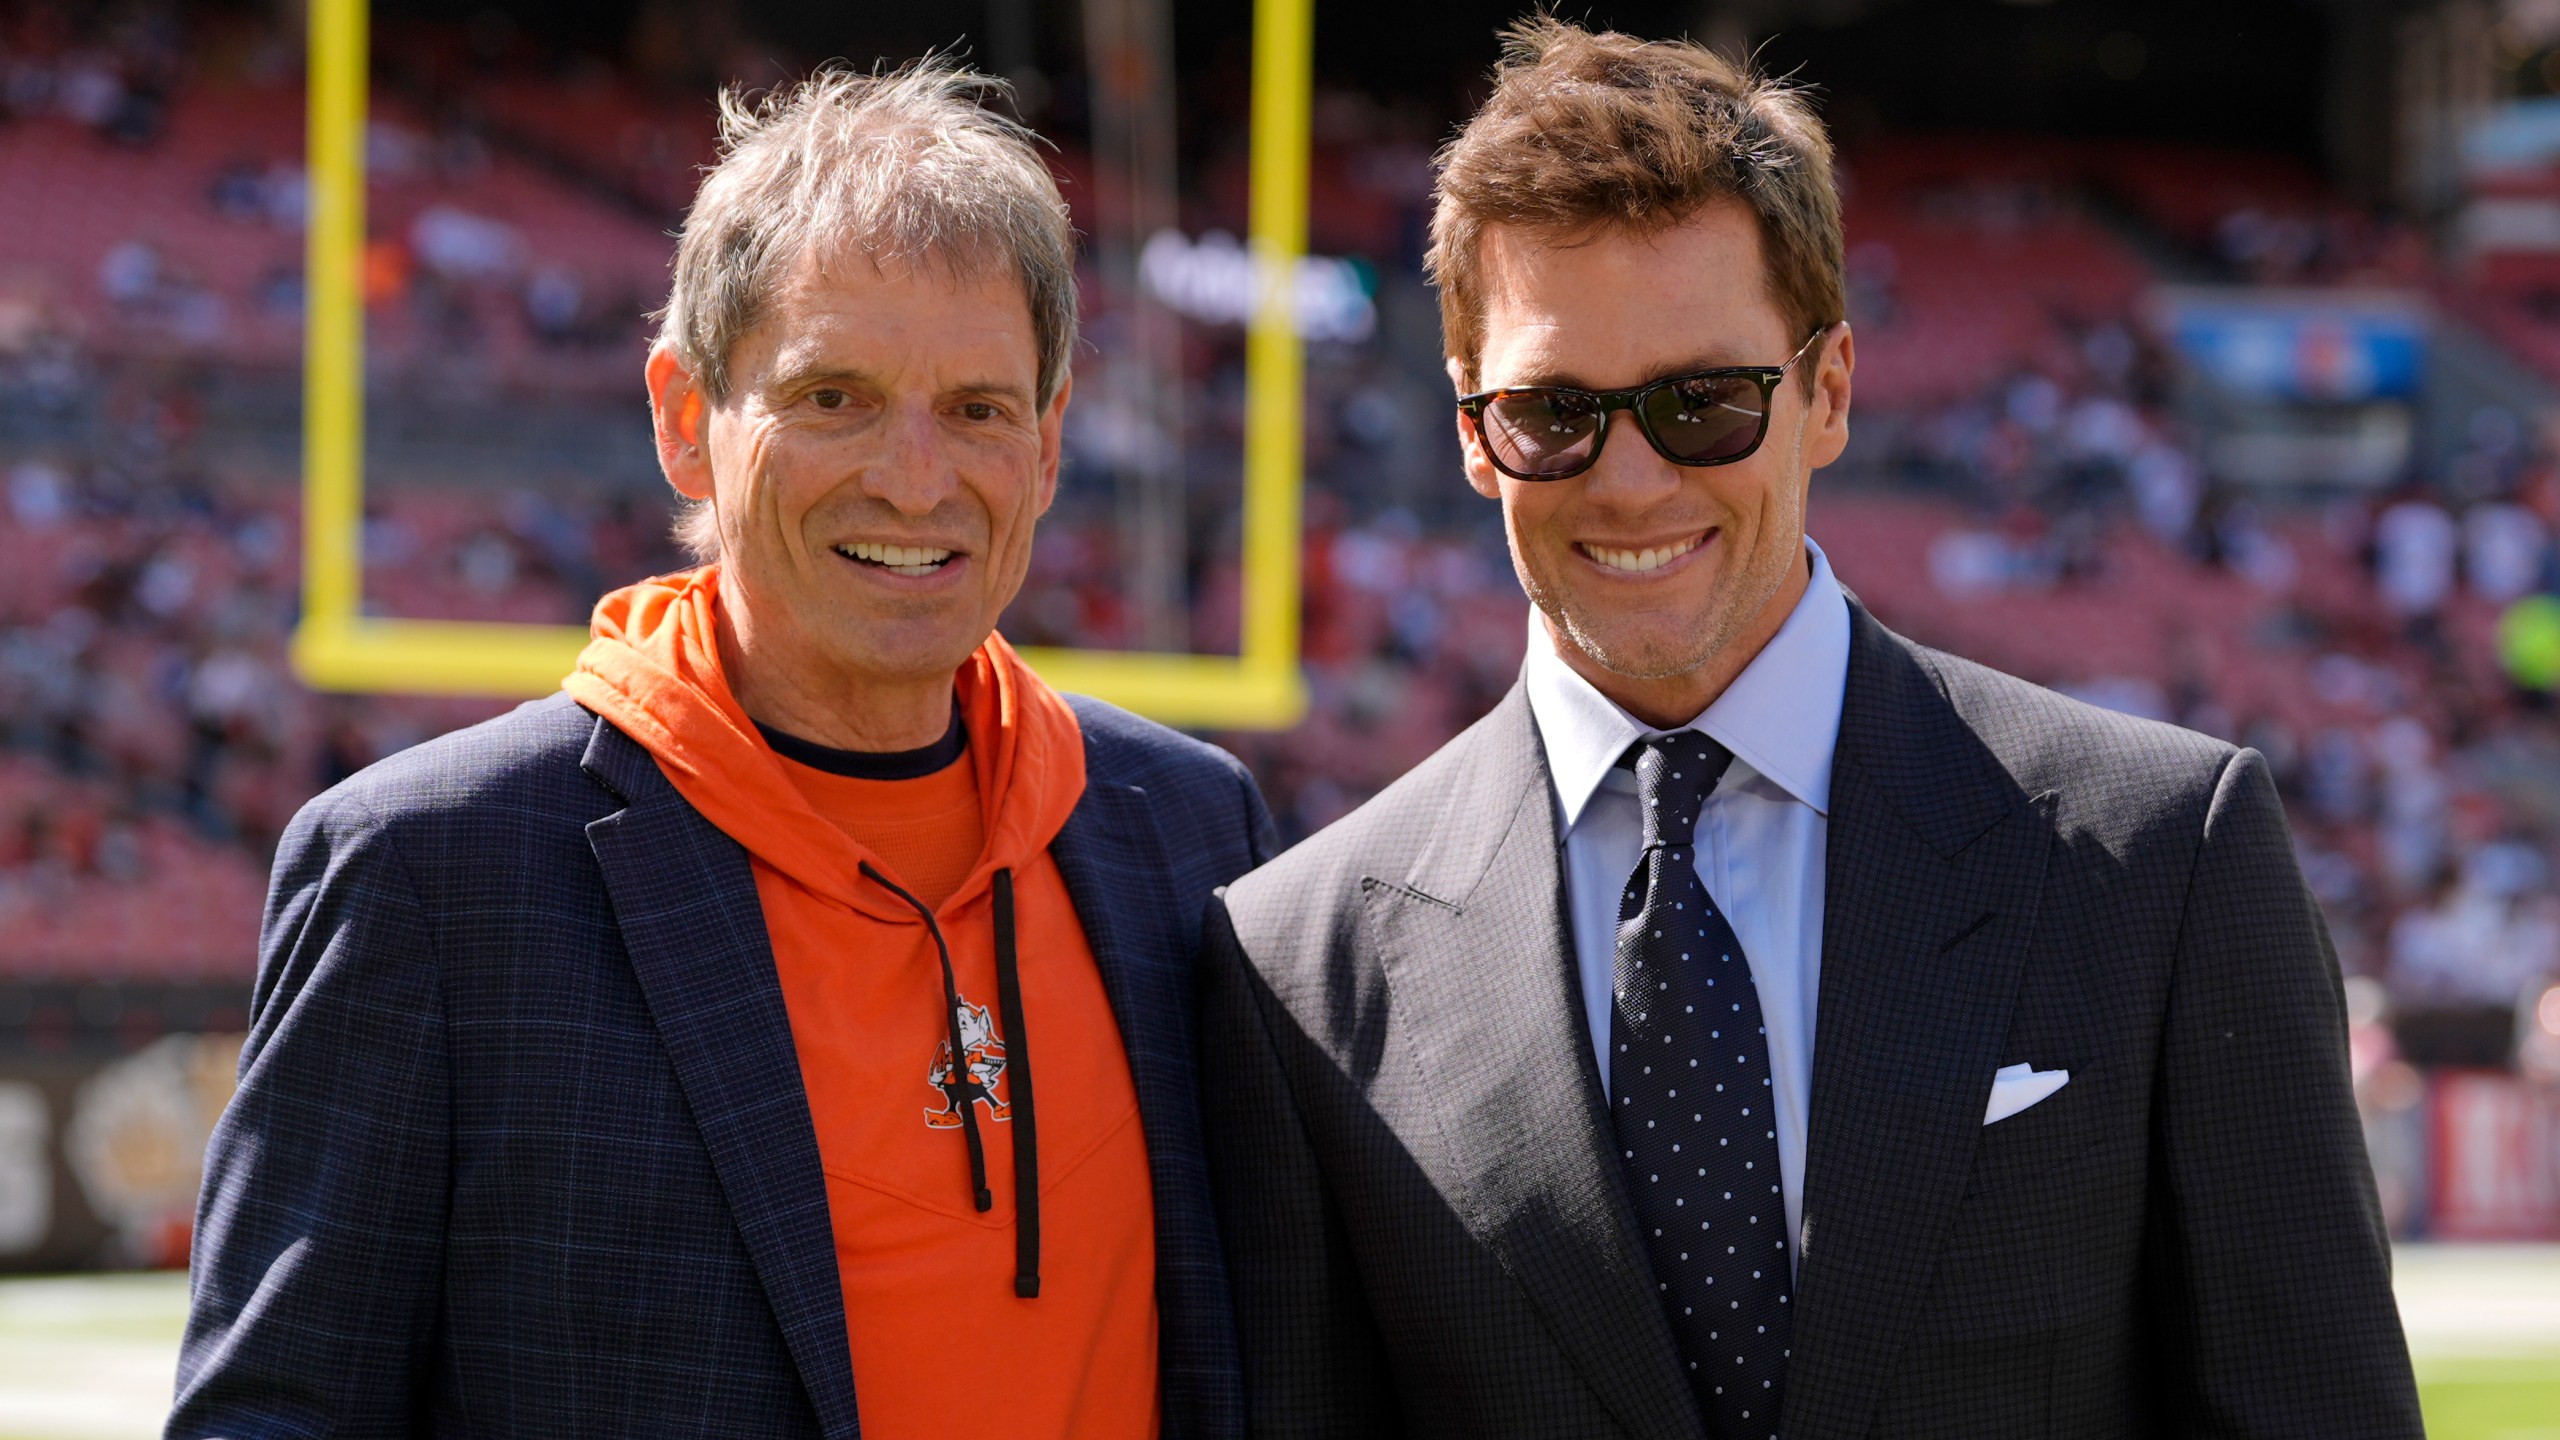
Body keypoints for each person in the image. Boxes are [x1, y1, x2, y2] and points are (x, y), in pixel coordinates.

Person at [1197, 21, 2421, 1439]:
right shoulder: (1301, 963)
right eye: (1553, 413)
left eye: (1705, 401)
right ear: (1474, 433)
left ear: (1828, 389)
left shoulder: (2161, 856)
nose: (1634, 478)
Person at [173, 62, 1270, 1439]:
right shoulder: (433, 876)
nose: (916, 478)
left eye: (980, 409)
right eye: (836, 398)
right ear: (688, 421)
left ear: (1048, 447)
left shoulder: (1184, 828)